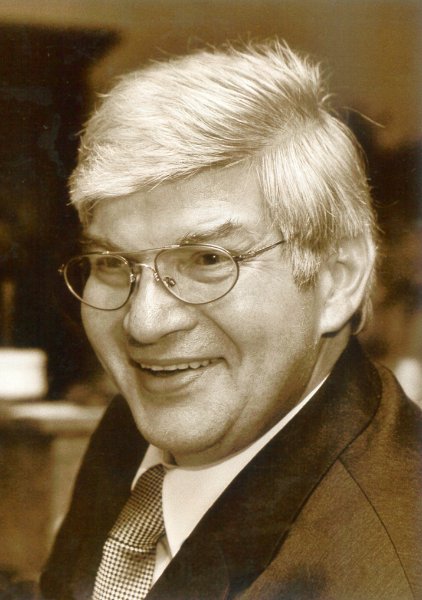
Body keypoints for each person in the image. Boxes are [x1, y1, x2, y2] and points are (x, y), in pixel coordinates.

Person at [40, 41, 421, 599]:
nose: (144, 324)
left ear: (337, 279)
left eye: (207, 260)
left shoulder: (390, 568)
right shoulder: (142, 426)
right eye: (112, 263)